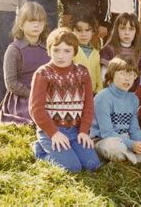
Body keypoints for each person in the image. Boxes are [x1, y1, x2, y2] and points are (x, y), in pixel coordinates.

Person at [29, 28, 101, 172]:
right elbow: (36, 109)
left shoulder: (82, 72)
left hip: (76, 130)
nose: (61, 56)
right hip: (52, 130)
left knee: (93, 164)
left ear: (74, 52)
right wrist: (53, 133)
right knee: (72, 168)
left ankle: (70, 150)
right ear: (49, 50)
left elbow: (88, 105)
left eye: (67, 51)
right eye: (56, 50)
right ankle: (41, 151)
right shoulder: (43, 73)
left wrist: (83, 131)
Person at [0, 2, 50, 124]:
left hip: (47, 94)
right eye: (32, 21)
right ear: (21, 25)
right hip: (23, 96)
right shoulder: (14, 49)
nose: (36, 25)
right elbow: (11, 83)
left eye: (40, 21)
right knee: (36, 115)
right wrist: (33, 94)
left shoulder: (48, 47)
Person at [100, 13, 141, 87]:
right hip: (113, 91)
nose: (127, 33)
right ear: (117, 30)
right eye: (123, 28)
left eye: (131, 29)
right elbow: (104, 75)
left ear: (136, 32)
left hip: (133, 93)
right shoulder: (109, 50)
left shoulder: (139, 53)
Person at [71, 13, 102, 93]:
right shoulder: (71, 50)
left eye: (87, 30)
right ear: (73, 31)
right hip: (74, 93)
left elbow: (98, 76)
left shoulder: (96, 53)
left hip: (92, 94)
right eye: (79, 30)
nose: (83, 34)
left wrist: (99, 92)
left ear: (93, 32)